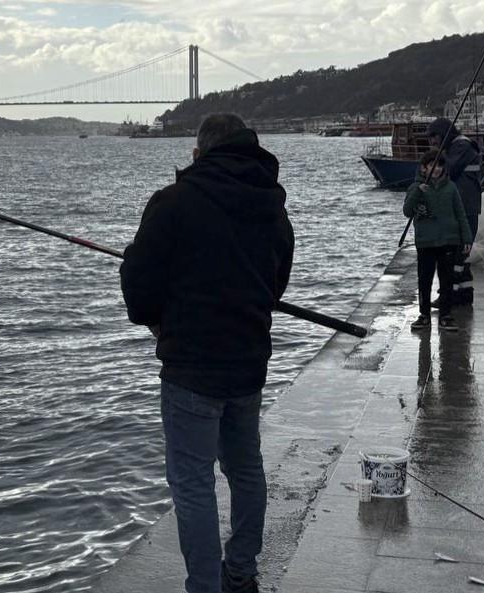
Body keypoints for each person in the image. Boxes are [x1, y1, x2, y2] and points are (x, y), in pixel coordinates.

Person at [120, 113, 294, 593]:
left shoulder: (173, 203)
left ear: (199, 154)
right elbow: (277, 283)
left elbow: (139, 288)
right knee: (246, 468)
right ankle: (241, 571)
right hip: (250, 361)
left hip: (191, 368)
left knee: (193, 483)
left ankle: (204, 586)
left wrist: (157, 318)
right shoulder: (273, 206)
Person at [404, 149, 473, 332]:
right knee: (424, 280)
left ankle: (446, 315)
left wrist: (466, 238)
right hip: (425, 242)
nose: (437, 169)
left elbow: (461, 214)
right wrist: (418, 192)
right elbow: (407, 211)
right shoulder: (415, 187)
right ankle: (424, 315)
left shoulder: (451, 188)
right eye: (432, 165)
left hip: (449, 240)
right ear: (424, 168)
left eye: (440, 165)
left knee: (447, 280)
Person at [427, 117, 481, 306]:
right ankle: (464, 294)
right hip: (463, 208)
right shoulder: (455, 148)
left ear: (445, 134)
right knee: (460, 256)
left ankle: (448, 296)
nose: (432, 141)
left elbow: (448, 170)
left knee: (452, 255)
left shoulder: (461, 147)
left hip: (465, 209)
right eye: (430, 138)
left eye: (435, 136)